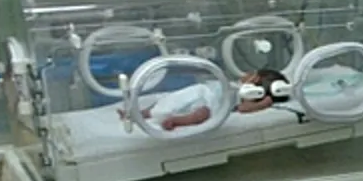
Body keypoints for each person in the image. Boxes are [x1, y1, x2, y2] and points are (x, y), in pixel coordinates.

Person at [119, 69, 287, 131]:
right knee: (170, 99)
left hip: (211, 104)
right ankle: (139, 113)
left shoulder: (244, 98)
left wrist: (263, 104)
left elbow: (243, 109)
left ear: (255, 80)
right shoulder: (235, 84)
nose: (245, 74)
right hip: (201, 91)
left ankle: (177, 121)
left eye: (251, 74)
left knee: (201, 115)